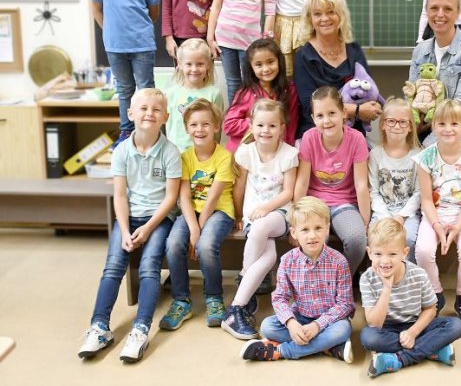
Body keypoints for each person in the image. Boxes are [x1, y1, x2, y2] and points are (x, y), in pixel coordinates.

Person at [77, 88, 181, 363]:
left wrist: (147, 229)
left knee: (149, 267)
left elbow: (171, 198)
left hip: (158, 219)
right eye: (143, 108)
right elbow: (120, 195)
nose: (149, 113)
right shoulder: (121, 150)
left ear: (165, 117)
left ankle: (141, 329)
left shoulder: (170, 152)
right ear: (131, 113)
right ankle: (99, 327)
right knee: (112, 267)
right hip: (128, 218)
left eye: (156, 109)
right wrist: (124, 231)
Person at [241, 196, 354, 363]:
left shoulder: (339, 261)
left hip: (330, 321)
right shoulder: (287, 261)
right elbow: (279, 298)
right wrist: (291, 323)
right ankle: (328, 347)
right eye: (305, 230)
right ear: (294, 233)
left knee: (343, 329)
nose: (312, 235)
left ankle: (282, 350)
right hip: (301, 316)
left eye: (318, 228)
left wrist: (317, 326)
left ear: (327, 229)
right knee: (267, 326)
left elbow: (345, 304)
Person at [222, 99, 298, 340]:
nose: (266, 131)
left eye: (272, 126)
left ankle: (244, 276)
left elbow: (289, 192)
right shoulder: (245, 153)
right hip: (252, 216)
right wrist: (237, 215)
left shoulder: (289, 154)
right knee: (268, 257)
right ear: (252, 126)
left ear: (282, 127)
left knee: (262, 226)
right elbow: (239, 188)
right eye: (261, 125)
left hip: (279, 213)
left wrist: (266, 208)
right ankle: (236, 308)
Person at [412, 99, 461, 333]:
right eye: (442, 123)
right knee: (423, 250)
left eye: (454, 123)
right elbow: (426, 200)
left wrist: (454, 228)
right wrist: (437, 226)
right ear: (433, 126)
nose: (448, 129)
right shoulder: (425, 158)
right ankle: (435, 294)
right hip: (434, 213)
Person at [159, 99, 236, 330]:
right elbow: (183, 197)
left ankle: (214, 297)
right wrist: (193, 229)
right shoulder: (184, 157)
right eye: (194, 125)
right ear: (186, 128)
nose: (199, 129)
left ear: (216, 127)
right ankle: (181, 300)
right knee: (173, 243)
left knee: (205, 245)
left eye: (206, 124)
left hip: (219, 212)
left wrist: (199, 232)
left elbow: (212, 198)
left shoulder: (224, 156)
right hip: (190, 211)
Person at [360, 218, 461, 378]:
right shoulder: (367, 278)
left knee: (455, 325)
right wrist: (386, 289)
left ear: (405, 253)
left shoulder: (418, 274)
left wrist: (413, 333)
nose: (385, 261)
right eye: (378, 254)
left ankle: (399, 359)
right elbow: (374, 323)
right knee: (368, 337)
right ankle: (431, 349)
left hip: (416, 325)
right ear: (369, 253)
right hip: (386, 328)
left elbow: (430, 309)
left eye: (393, 254)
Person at [89, 0, 160, 150]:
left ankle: (152, 132)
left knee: (146, 89)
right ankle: (126, 132)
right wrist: (108, 30)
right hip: (114, 45)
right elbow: (96, 7)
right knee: (124, 90)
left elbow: (153, 12)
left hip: (142, 45)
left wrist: (137, 30)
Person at [294, 86, 370, 276]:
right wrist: (295, 219)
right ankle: (317, 285)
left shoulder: (357, 139)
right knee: (314, 240)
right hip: (314, 203)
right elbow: (302, 182)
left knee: (356, 240)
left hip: (344, 202)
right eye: (320, 116)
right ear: (313, 119)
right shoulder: (309, 138)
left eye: (331, 113)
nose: (326, 120)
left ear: (344, 112)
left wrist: (365, 222)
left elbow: (361, 185)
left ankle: (340, 280)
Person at [293, 0, 382, 137]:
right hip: (318, 135)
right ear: (310, 19)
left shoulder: (354, 50)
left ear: (340, 15)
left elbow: (368, 90)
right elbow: (310, 107)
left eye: (330, 12)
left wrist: (375, 105)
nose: (324, 18)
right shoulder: (303, 56)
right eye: (317, 14)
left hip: (353, 134)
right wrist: (357, 110)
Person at [409, 0, 461, 150]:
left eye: (448, 9)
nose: (440, 14)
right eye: (434, 8)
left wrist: (426, 144)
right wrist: (414, 127)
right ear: (426, 11)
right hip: (424, 130)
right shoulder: (420, 51)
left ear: (458, 13)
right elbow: (413, 96)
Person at [368, 97, 422, 262]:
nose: (397, 126)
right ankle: (380, 279)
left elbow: (419, 192)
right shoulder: (375, 155)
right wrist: (385, 217)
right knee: (377, 238)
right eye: (391, 121)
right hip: (381, 213)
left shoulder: (418, 155)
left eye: (403, 122)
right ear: (383, 124)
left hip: (408, 214)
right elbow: (374, 191)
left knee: (409, 239)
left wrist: (401, 217)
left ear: (410, 127)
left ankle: (407, 278)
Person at [223, 38, 298, 152]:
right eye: (259, 65)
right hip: (246, 153)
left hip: (276, 152)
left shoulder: (289, 90)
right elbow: (229, 126)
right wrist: (258, 124)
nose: (266, 69)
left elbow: (291, 125)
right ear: (251, 67)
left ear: (279, 61)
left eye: (270, 62)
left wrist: (288, 153)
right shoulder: (246, 92)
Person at [163, 38, 224, 152]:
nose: (194, 69)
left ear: (208, 65)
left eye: (200, 64)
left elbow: (217, 127)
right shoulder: (171, 93)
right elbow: (168, 126)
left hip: (203, 154)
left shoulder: (214, 94)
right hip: (177, 154)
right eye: (189, 64)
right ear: (180, 65)